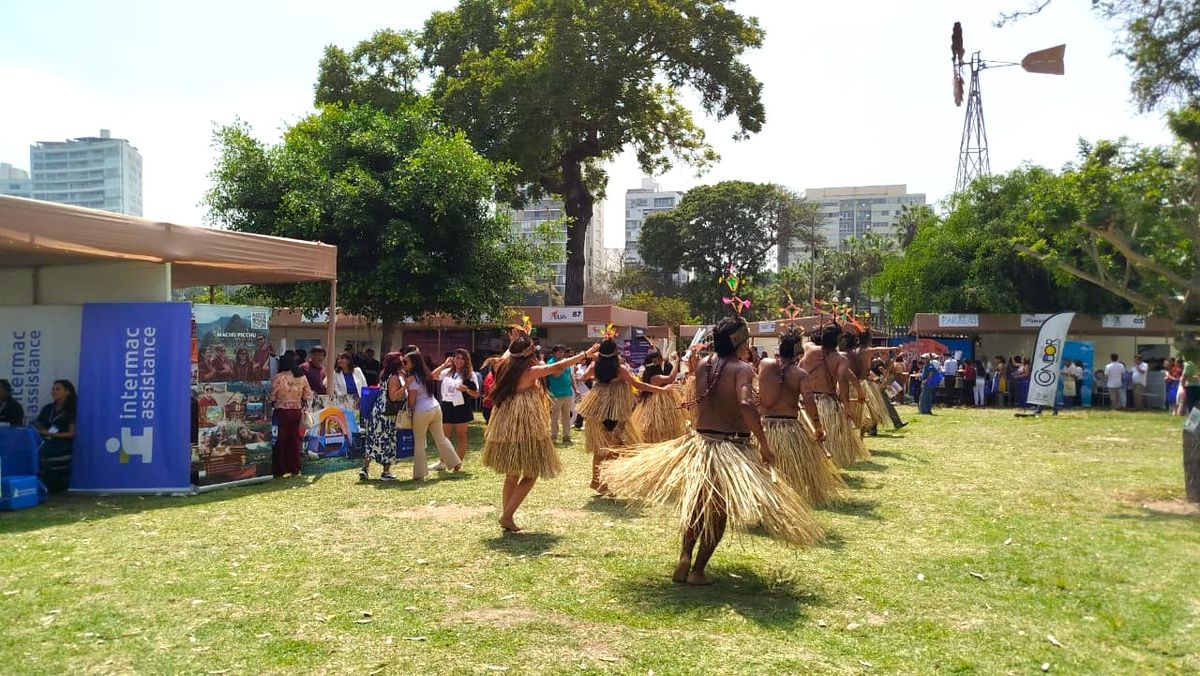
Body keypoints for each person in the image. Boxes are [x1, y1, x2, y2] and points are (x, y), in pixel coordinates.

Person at [603, 316, 821, 586]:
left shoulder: (705, 364)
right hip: (729, 448)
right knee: (718, 512)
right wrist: (764, 443)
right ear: (740, 342)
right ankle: (697, 570)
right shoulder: (741, 369)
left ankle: (685, 555)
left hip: (702, 444)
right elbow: (744, 402)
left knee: (697, 506)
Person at [482, 334, 597, 532]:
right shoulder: (530, 371)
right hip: (525, 425)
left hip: (505, 422)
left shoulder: (503, 366)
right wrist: (585, 354)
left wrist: (517, 340)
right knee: (531, 473)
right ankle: (507, 515)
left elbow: (511, 353)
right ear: (529, 354)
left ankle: (507, 516)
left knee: (511, 474)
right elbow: (559, 367)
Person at [759, 328, 844, 507]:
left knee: (763, 468)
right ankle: (786, 501)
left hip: (765, 427)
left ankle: (767, 501)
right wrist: (818, 428)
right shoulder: (800, 375)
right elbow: (809, 402)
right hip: (789, 429)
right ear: (797, 353)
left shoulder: (764, 365)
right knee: (790, 470)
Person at [577, 338, 672, 493]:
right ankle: (603, 482)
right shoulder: (620, 369)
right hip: (614, 411)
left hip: (597, 408)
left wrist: (598, 371)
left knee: (602, 448)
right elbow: (638, 385)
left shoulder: (595, 366)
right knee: (616, 447)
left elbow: (584, 377)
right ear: (614, 352)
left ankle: (597, 480)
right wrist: (661, 390)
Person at [800, 323, 869, 467]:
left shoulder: (809, 349)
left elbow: (806, 342)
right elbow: (843, 381)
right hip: (827, 403)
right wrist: (847, 407)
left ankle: (815, 466)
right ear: (837, 341)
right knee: (829, 437)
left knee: (808, 436)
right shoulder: (841, 359)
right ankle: (827, 466)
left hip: (807, 402)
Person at [403, 352, 463, 478]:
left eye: (405, 362)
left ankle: (419, 473)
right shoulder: (425, 374)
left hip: (422, 411)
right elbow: (432, 375)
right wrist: (444, 364)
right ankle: (455, 462)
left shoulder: (413, 379)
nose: (403, 364)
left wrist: (408, 410)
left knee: (419, 441)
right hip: (435, 408)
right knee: (441, 438)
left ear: (413, 363)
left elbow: (412, 401)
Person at [361, 352, 404, 481]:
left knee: (373, 439)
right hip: (387, 414)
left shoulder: (384, 374)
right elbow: (393, 396)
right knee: (387, 440)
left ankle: (365, 468)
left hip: (377, 410)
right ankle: (386, 472)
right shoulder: (394, 378)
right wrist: (406, 386)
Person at [269, 354, 313, 478]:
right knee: (294, 440)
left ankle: (280, 469)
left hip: (281, 412)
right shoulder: (302, 377)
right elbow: (308, 395)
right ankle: (294, 467)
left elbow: (272, 396)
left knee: (280, 441)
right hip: (296, 411)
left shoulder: (278, 378)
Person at [632, 348, 688, 444]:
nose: (662, 360)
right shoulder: (656, 377)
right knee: (660, 427)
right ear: (656, 361)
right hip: (658, 405)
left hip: (656, 402)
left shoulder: (648, 373)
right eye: (660, 358)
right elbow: (671, 378)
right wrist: (677, 361)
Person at [433, 348, 479, 464]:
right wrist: (444, 365)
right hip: (447, 405)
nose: (459, 361)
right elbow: (433, 376)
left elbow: (476, 394)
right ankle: (443, 461)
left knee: (461, 435)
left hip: (461, 406)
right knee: (444, 436)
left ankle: (458, 461)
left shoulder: (470, 374)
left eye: (462, 359)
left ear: (466, 361)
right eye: (457, 358)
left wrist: (467, 390)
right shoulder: (447, 372)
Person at [34, 380, 77, 492]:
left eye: (58, 389)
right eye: (53, 389)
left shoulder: (71, 409)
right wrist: (42, 430)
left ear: (67, 392)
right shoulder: (48, 408)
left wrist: (50, 434)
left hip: (62, 443)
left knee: (39, 453)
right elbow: (38, 423)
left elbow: (72, 433)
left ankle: (49, 486)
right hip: (45, 440)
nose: (54, 391)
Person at [543, 345, 576, 445]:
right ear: (554, 352)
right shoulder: (551, 363)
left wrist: (575, 388)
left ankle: (566, 436)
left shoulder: (565, 362)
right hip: (556, 393)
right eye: (559, 352)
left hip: (567, 392)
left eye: (562, 352)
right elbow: (555, 375)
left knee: (566, 415)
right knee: (555, 416)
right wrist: (563, 365)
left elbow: (570, 376)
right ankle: (554, 436)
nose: (561, 354)